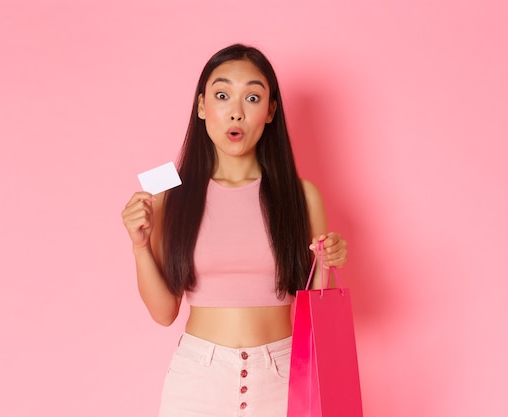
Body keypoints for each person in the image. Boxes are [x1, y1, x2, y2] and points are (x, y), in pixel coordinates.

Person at [121, 44, 348, 417]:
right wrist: (139, 246)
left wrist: (329, 260)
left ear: (270, 110)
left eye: (253, 97)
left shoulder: (302, 196)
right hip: (196, 381)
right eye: (222, 95)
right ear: (201, 106)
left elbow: (316, 310)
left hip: (285, 377)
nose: (236, 112)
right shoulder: (170, 194)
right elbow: (164, 313)